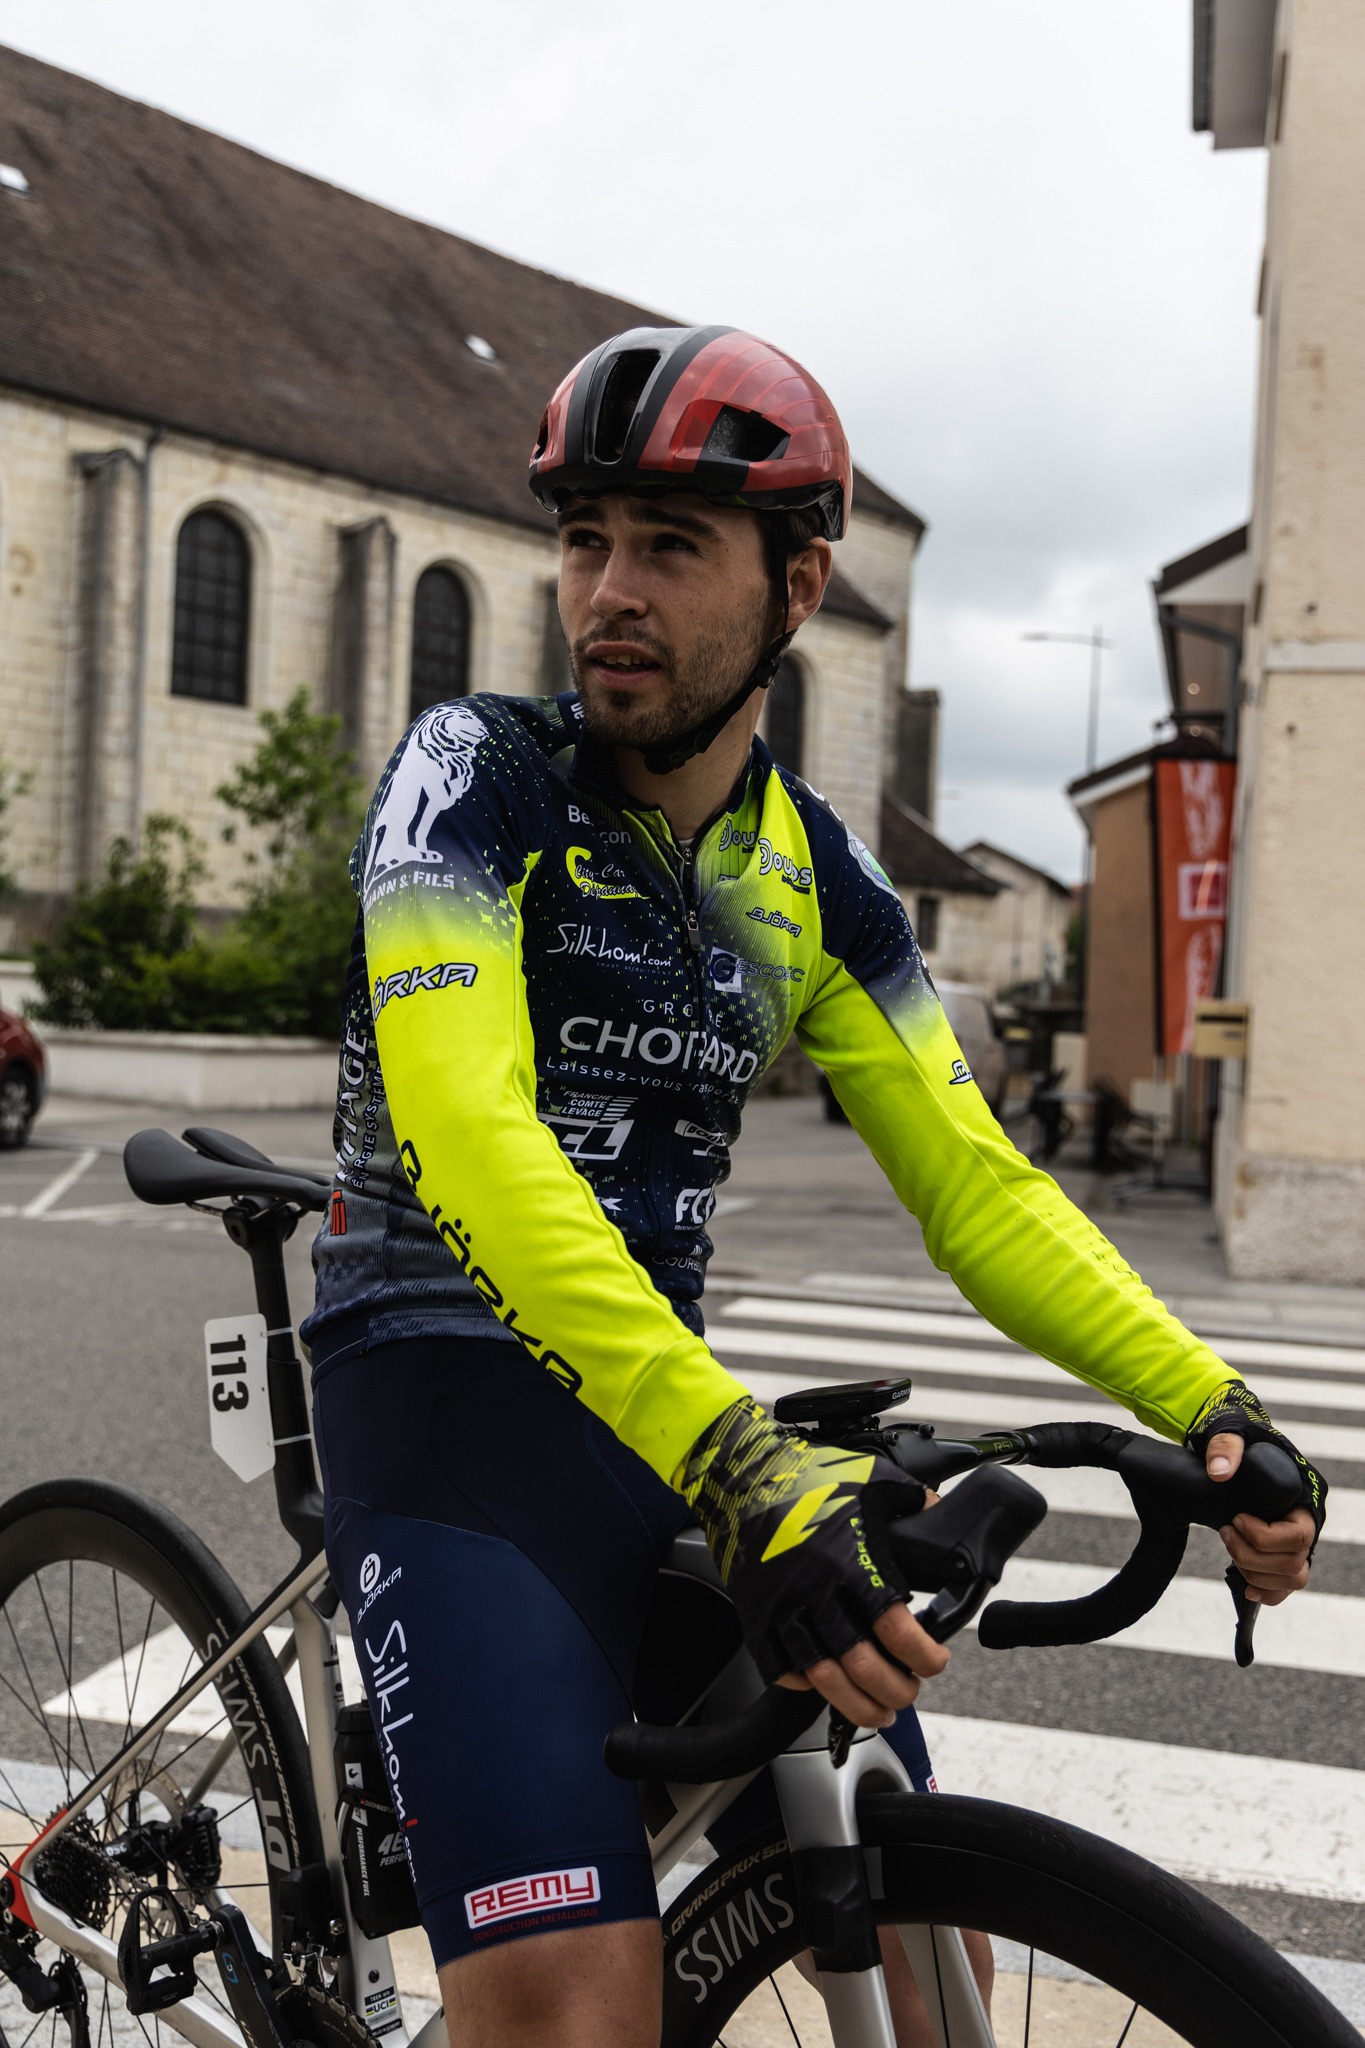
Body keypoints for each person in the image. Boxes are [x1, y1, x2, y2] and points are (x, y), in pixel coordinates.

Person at [303, 325, 1324, 2048]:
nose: (606, 592)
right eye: (583, 540)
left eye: (668, 545)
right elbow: (474, 1132)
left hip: (655, 1404)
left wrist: (1208, 1405)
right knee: (576, 2014)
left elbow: (976, 1186)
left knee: (918, 1928)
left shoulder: (820, 878)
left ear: (795, 585)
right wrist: (737, 1462)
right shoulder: (475, 778)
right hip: (437, 1382)